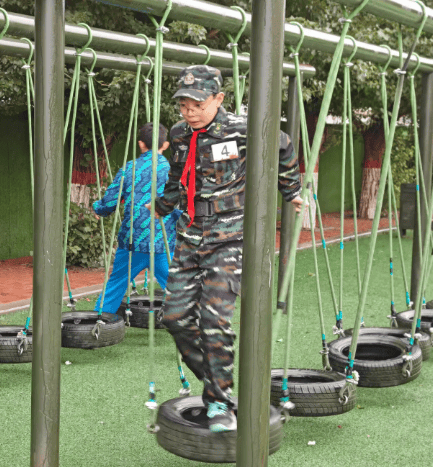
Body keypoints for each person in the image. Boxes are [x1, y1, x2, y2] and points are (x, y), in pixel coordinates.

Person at [151, 65, 303, 433]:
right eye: (183, 105)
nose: (189, 112)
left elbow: (282, 143)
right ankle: (219, 382)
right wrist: (162, 205)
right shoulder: (179, 134)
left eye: (197, 105)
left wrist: (292, 191)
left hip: (230, 236)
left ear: (218, 99)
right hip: (190, 234)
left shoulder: (242, 129)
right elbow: (178, 176)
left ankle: (219, 401)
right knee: (174, 318)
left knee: (214, 320)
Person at [92, 122, 181, 315]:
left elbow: (110, 200)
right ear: (166, 145)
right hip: (162, 243)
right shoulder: (174, 172)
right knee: (177, 288)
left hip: (133, 241)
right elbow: (182, 206)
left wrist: (99, 209)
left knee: (116, 284)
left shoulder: (129, 168)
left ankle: (99, 320)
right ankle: (191, 321)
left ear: (141, 144)